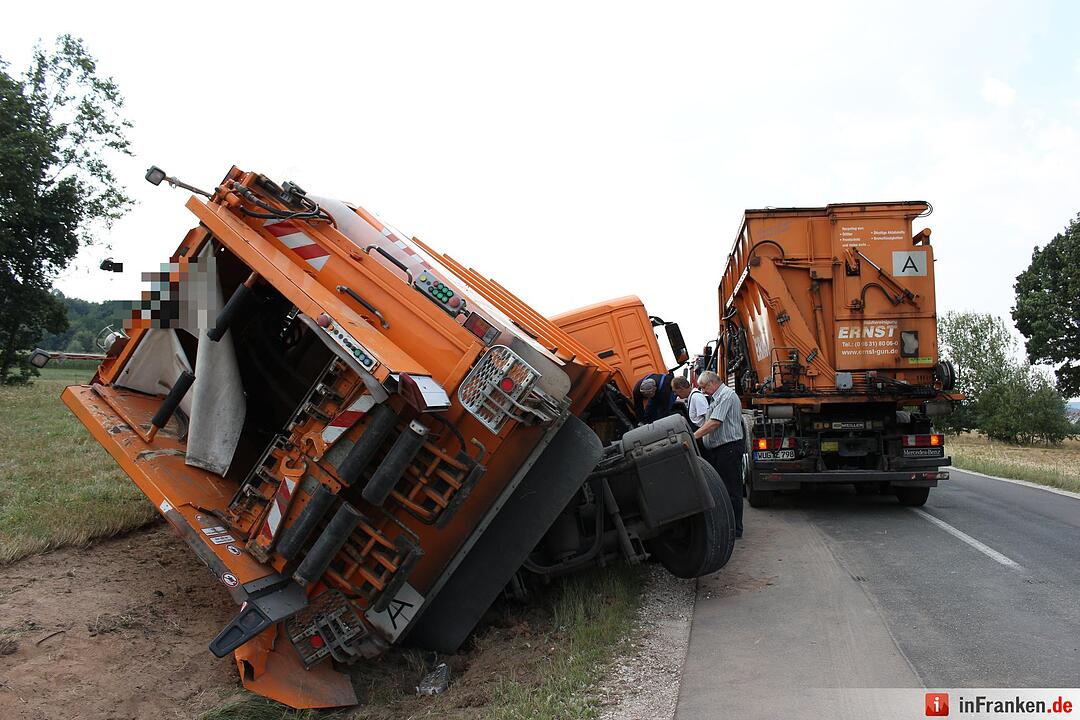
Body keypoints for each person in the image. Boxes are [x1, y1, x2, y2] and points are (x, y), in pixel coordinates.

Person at [693, 370, 745, 538]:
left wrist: (694, 437)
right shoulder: (718, 397)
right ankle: (729, 526)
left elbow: (715, 422)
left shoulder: (727, 396)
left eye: (703, 388)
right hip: (721, 449)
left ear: (712, 384)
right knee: (724, 488)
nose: (702, 392)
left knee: (731, 490)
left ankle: (735, 529)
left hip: (728, 449)